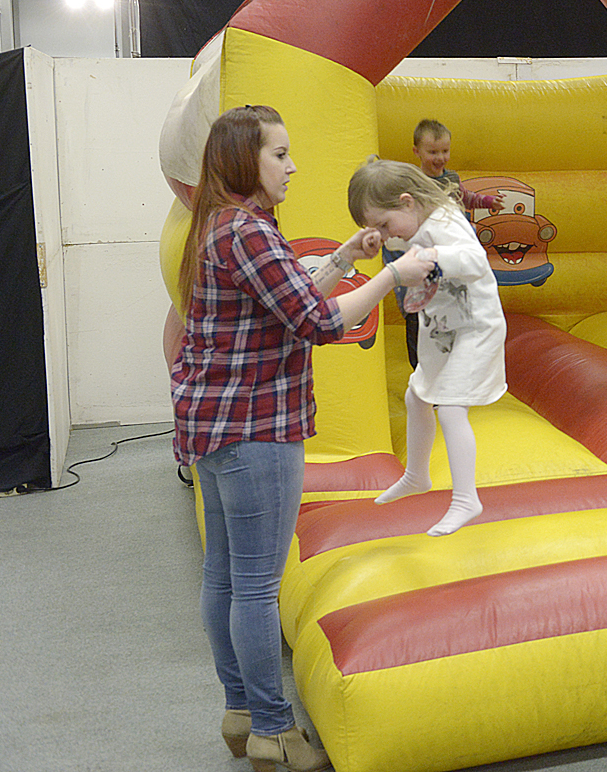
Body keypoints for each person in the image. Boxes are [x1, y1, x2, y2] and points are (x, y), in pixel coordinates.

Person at [172, 106, 433, 772]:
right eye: (280, 155)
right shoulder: (249, 231)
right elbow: (317, 322)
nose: (292, 167)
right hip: (254, 426)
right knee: (257, 586)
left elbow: (285, 303)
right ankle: (272, 728)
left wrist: (344, 258)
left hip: (215, 422)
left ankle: (241, 710)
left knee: (226, 576)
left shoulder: (224, 224)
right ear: (245, 161)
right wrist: (392, 276)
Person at [350, 158, 507, 537]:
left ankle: (466, 499)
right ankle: (416, 476)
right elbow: (402, 237)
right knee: (417, 395)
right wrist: (374, 240)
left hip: (474, 328)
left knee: (450, 408)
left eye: (383, 225)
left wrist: (434, 256)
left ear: (407, 202)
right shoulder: (415, 221)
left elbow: (475, 260)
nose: (386, 234)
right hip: (442, 328)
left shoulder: (444, 221)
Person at [393, 119, 501, 368]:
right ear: (417, 151)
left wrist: (487, 202)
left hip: (452, 256)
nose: (440, 158)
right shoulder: (413, 182)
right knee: (419, 309)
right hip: (426, 254)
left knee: (452, 306)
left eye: (445, 151)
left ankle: (453, 361)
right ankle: (420, 366)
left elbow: (466, 197)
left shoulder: (451, 178)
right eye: (433, 152)